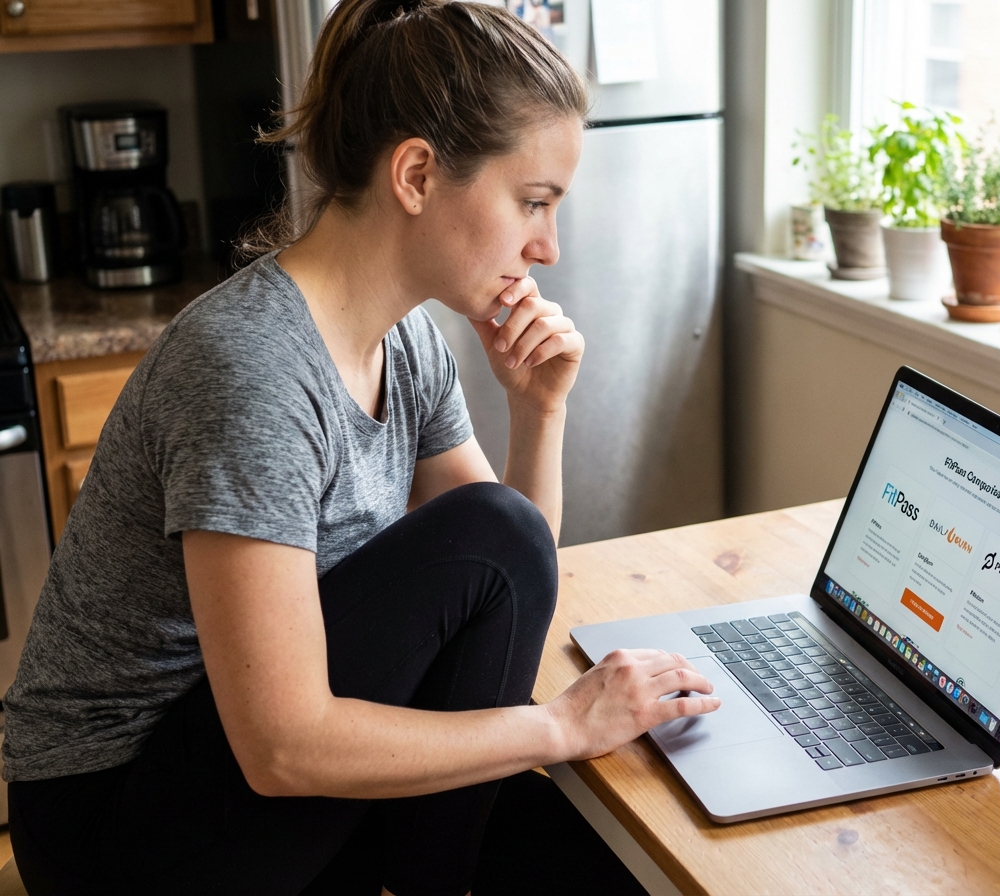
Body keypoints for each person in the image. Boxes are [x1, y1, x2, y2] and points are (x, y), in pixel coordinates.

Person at [0, 2, 719, 893]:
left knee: (585, 851)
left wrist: (538, 411)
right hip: (114, 818)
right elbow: (283, 748)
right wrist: (563, 727)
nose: (549, 246)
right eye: (532, 202)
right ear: (416, 172)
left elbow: (506, 586)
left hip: (231, 759)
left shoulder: (406, 341)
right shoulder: (254, 371)